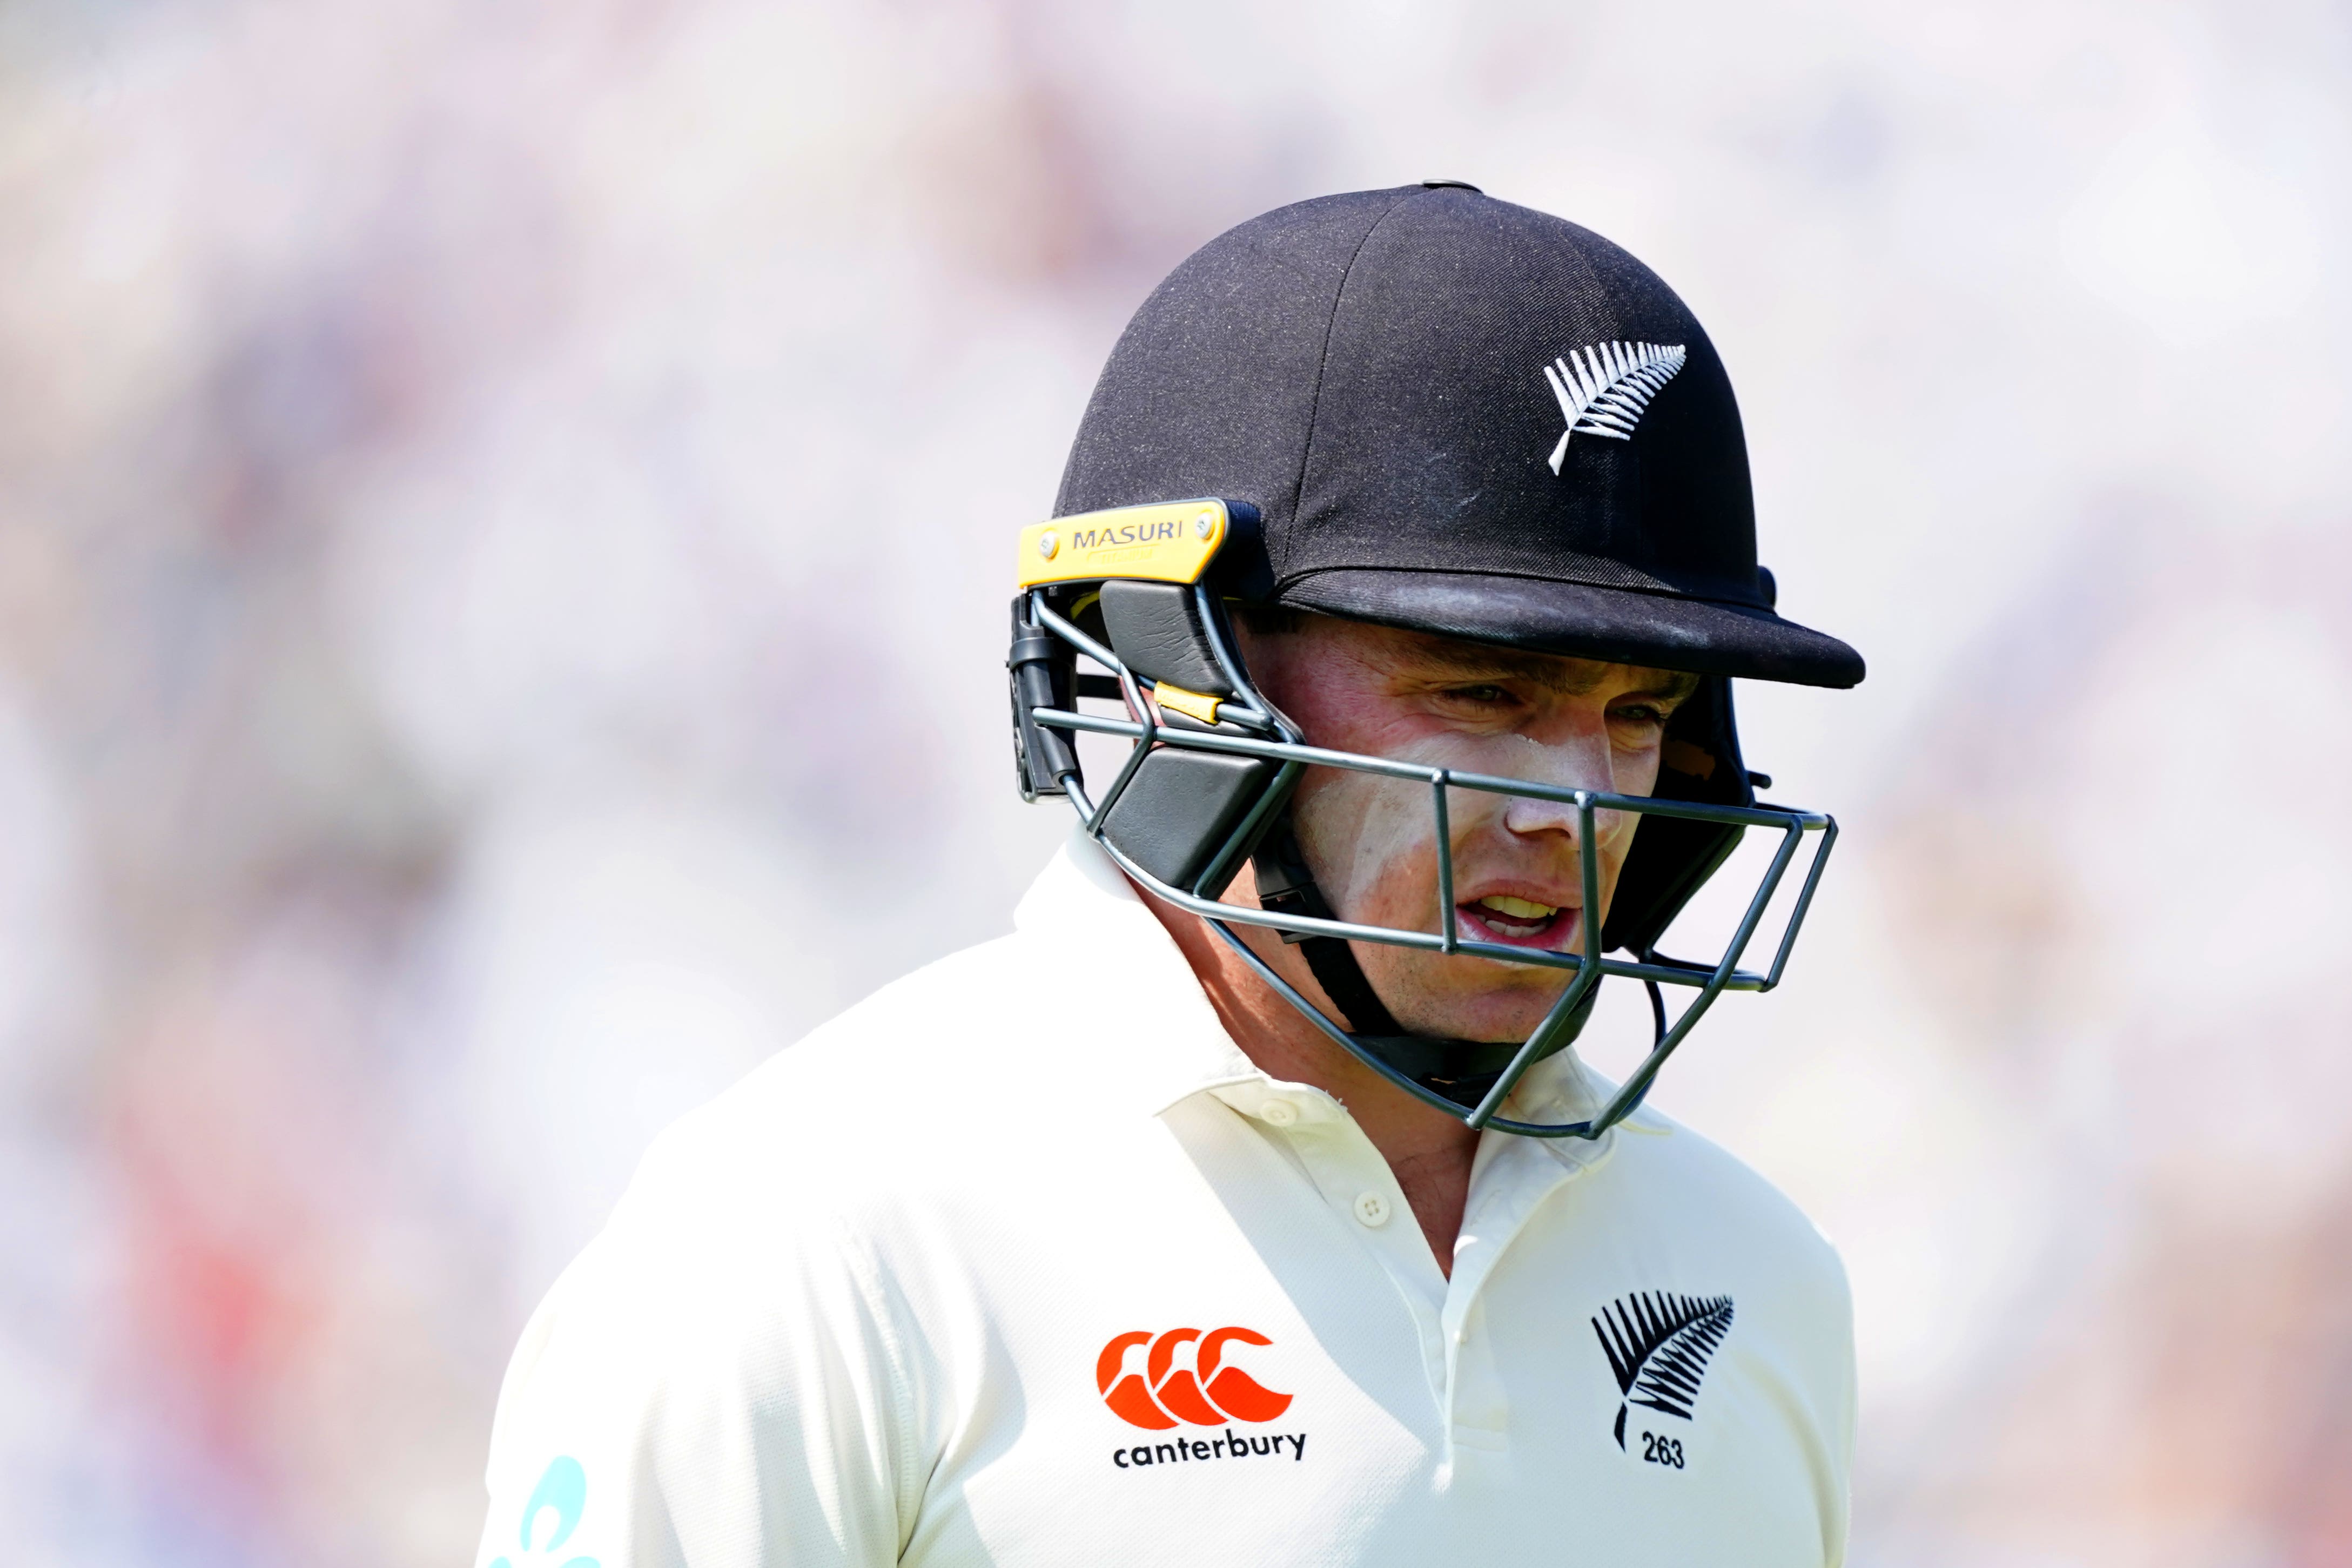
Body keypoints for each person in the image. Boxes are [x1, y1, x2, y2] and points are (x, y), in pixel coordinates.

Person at [473, 182, 1867, 1568]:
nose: (1581, 804)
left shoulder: (1756, 1276)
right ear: (1185, 676)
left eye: (1639, 715)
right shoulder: (817, 1240)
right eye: (1483, 691)